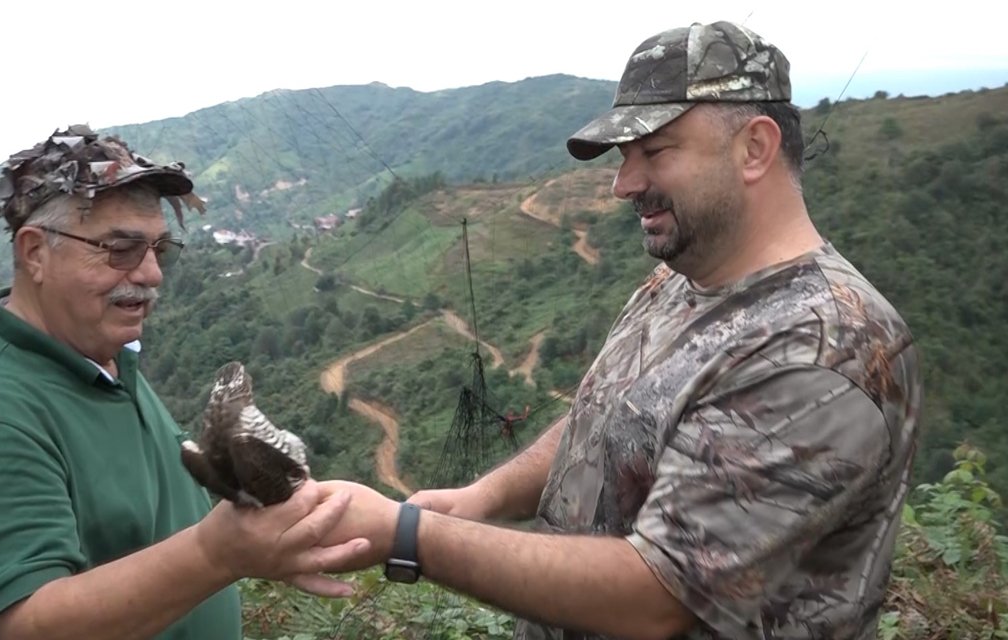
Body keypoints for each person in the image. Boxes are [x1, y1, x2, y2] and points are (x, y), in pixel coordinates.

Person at [314, 20, 922, 640]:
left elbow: (657, 595)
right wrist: (485, 497)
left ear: (754, 148)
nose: (622, 184)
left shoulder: (821, 348)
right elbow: (609, 419)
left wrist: (408, 536)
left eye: (655, 152)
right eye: (625, 156)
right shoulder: (679, 280)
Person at [0, 125, 366, 640]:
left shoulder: (102, 358)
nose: (152, 273)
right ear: (35, 253)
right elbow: (29, 625)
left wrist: (401, 530)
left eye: (160, 248)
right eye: (120, 248)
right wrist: (219, 554)